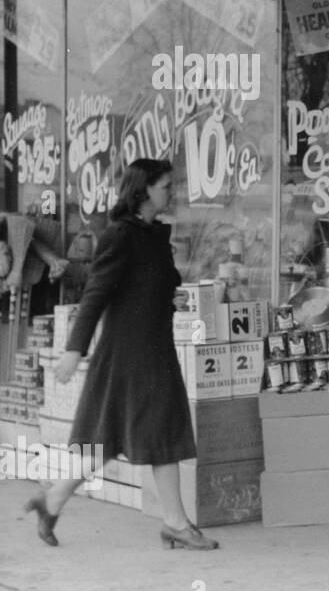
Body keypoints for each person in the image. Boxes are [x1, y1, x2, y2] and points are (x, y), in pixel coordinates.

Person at [23, 158, 218, 551]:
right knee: (148, 432)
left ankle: (54, 501)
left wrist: (168, 296)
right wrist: (74, 350)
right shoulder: (120, 235)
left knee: (123, 436)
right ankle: (175, 523)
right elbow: (95, 294)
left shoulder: (152, 235)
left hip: (153, 348)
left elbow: (147, 285)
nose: (171, 191)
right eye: (165, 185)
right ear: (143, 189)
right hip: (130, 355)